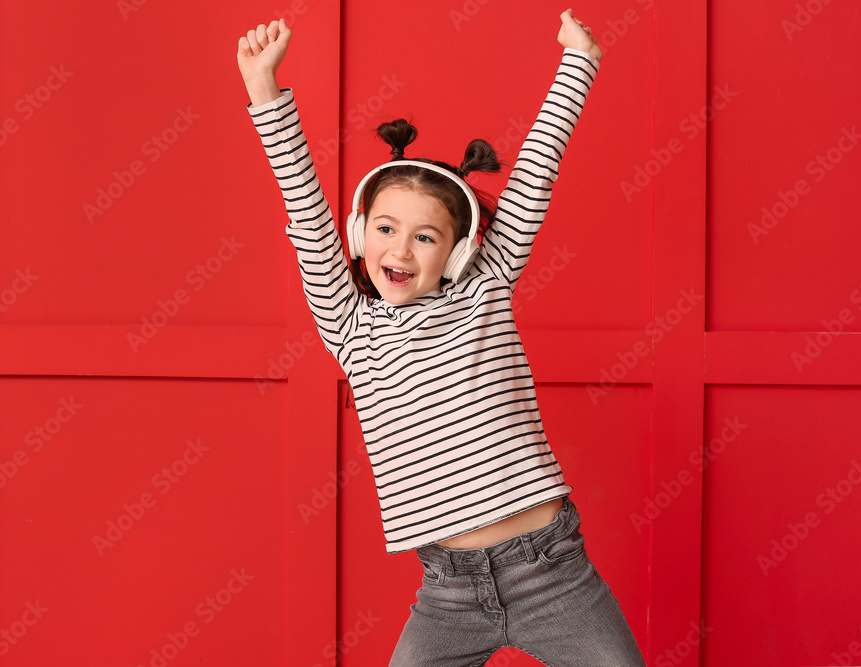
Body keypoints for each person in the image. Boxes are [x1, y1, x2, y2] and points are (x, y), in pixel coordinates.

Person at [237, 9, 646, 666]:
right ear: (358, 235)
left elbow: (537, 172)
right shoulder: (351, 326)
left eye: (425, 236)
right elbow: (305, 216)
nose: (400, 249)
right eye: (386, 229)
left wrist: (578, 61)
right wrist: (264, 90)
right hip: (449, 592)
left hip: (556, 573)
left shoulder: (485, 287)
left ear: (458, 254)